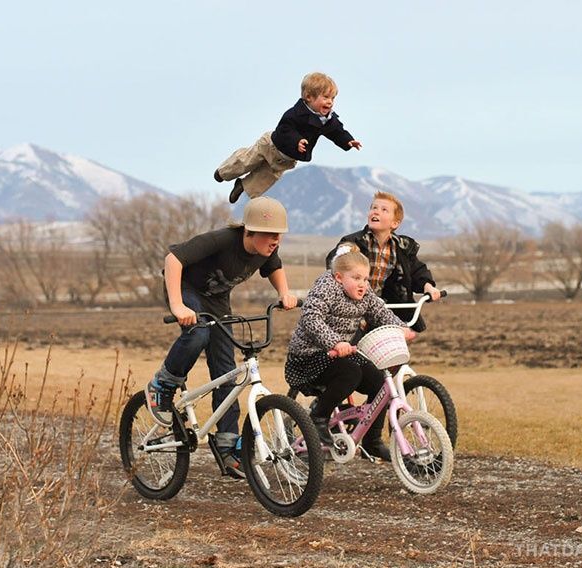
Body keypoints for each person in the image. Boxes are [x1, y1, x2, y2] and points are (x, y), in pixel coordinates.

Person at [146, 197, 297, 478]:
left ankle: (227, 444)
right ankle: (163, 383)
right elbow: (173, 259)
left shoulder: (266, 250)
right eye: (270, 234)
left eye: (279, 234)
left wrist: (284, 293)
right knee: (198, 334)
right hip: (186, 289)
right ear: (249, 232)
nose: (275, 240)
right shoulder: (223, 240)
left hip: (216, 301)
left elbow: (274, 268)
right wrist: (178, 306)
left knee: (227, 372)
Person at [285, 244, 415, 461]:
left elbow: (380, 311)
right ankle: (319, 416)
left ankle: (372, 442)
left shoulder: (364, 292)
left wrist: (401, 328)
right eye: (356, 278)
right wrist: (335, 343)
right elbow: (311, 318)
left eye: (365, 279)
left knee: (379, 382)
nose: (363, 284)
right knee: (350, 373)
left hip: (341, 354)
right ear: (338, 277)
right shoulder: (326, 287)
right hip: (309, 357)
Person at [214, 72, 362, 204]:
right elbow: (285, 128)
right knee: (246, 160)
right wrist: (297, 141)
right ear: (309, 97)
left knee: (266, 178)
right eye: (325, 97)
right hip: (270, 145)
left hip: (287, 158)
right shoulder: (295, 113)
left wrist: (348, 141)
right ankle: (224, 172)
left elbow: (337, 131)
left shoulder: (327, 120)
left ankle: (242, 186)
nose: (330, 102)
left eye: (332, 98)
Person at [326, 191, 440, 332]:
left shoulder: (402, 247)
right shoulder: (354, 242)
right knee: (351, 348)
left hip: (383, 307)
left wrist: (427, 286)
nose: (376, 212)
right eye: (374, 208)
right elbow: (336, 263)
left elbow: (416, 270)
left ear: (395, 223)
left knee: (394, 346)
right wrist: (343, 255)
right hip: (353, 306)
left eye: (384, 210)